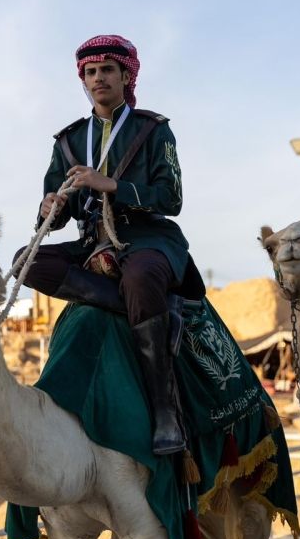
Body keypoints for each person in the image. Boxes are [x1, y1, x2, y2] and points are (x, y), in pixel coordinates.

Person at [15, 34, 196, 455]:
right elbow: (54, 217)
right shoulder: (68, 140)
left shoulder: (154, 129)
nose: (98, 78)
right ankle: (147, 309)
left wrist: (111, 184)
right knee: (25, 262)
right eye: (90, 72)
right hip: (91, 242)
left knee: (140, 276)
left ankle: (165, 409)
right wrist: (50, 207)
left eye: (107, 70)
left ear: (125, 75)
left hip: (148, 237)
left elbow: (172, 199)